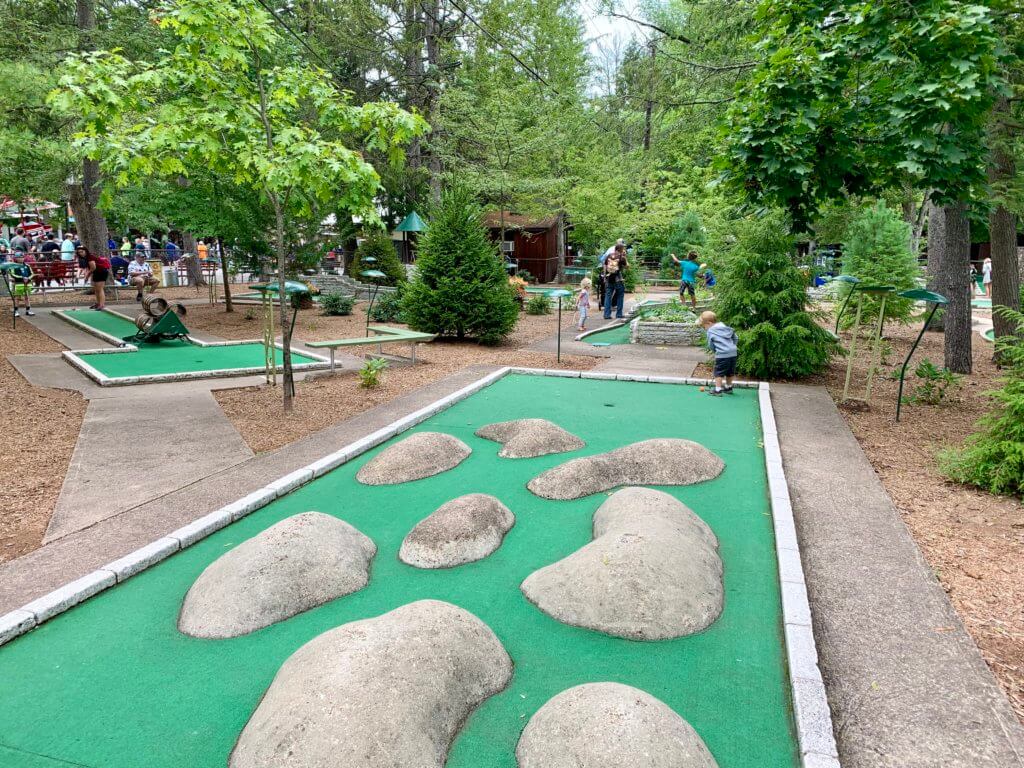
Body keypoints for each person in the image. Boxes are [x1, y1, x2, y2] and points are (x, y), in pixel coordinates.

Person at [700, 310, 738, 396]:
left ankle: (717, 390)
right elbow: (736, 338)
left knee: (718, 372)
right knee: (730, 372)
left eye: (704, 326)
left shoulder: (710, 331)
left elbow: (711, 344)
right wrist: (732, 347)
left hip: (722, 354)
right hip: (733, 353)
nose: (704, 328)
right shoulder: (726, 327)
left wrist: (716, 351)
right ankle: (728, 387)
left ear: (709, 323)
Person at [602, 243, 629, 320]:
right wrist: (625, 258)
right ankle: (619, 314)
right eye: (623, 248)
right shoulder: (621, 257)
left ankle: (607, 315)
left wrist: (604, 277)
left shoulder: (609, 256)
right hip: (618, 280)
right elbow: (627, 267)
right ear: (621, 249)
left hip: (609, 279)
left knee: (608, 297)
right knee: (620, 296)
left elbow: (604, 265)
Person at [80, 246, 110, 310]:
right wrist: (87, 276)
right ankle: (98, 303)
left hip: (101, 271)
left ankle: (102, 305)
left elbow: (93, 267)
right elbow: (90, 268)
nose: (80, 253)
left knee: (100, 289)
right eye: (79, 252)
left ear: (85, 251)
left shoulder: (89, 257)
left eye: (82, 252)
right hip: (96, 272)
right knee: (96, 289)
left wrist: (87, 275)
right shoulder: (85, 258)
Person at [7, 252, 35, 316]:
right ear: (16, 258)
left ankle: (28, 310)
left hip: (27, 283)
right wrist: (22, 278)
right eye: (19, 257)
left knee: (27, 297)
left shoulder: (27, 266)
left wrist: (28, 278)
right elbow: (13, 274)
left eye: (22, 257)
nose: (21, 258)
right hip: (18, 283)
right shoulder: (13, 266)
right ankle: (16, 311)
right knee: (17, 297)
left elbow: (32, 273)